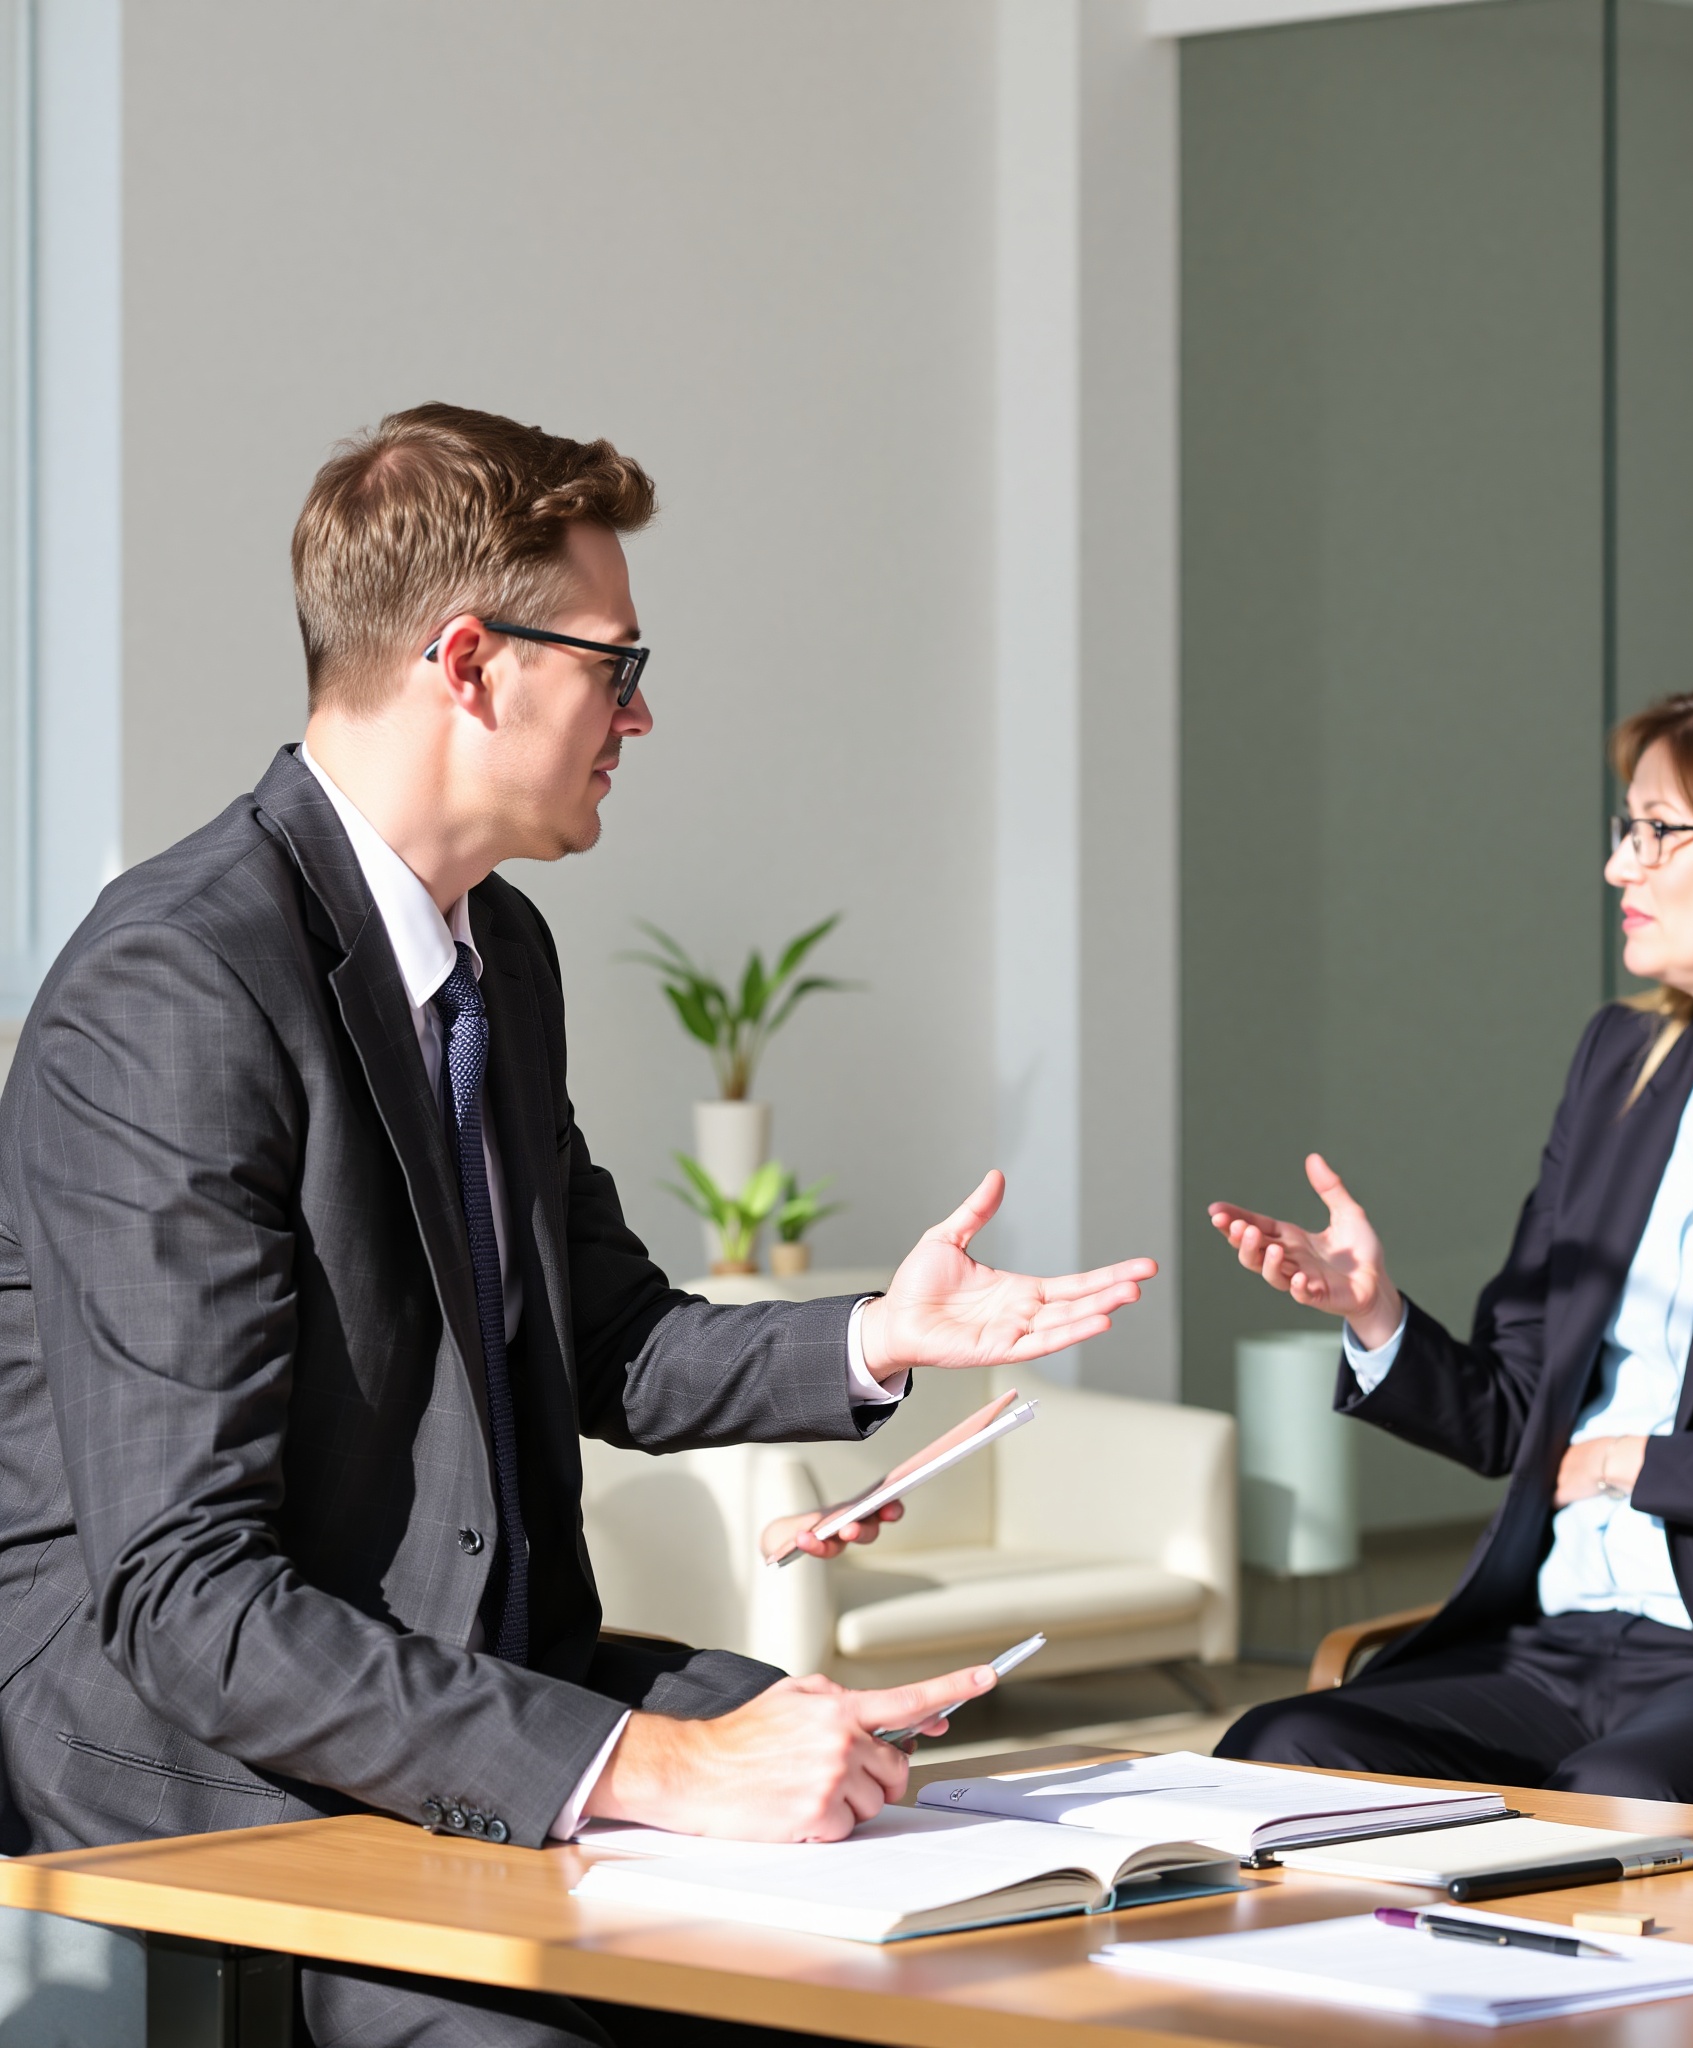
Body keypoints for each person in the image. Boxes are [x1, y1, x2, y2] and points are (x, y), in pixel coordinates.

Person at [0, 404, 1155, 2047]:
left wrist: (872, 1336)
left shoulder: (500, 956)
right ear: (471, 664)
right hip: (182, 1721)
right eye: (616, 663)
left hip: (446, 1654)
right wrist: (665, 1764)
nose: (643, 710)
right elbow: (187, 1596)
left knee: (931, 1846)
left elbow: (605, 1332)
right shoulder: (175, 987)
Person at [1210, 677, 1693, 1831]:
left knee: (1616, 1805)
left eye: (1657, 830)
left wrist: (1622, 1462)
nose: (1617, 867)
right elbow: (1513, 1413)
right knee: (1278, 1751)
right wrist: (1376, 1316)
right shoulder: (1620, 1064)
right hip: (1560, 1642)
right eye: (1621, 827)